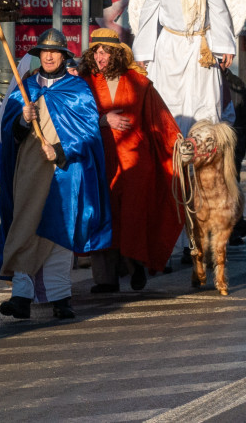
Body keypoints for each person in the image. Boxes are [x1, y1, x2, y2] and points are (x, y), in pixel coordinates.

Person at [0, 28, 111, 320]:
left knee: (60, 232)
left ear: (62, 56)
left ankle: (61, 298)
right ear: (37, 55)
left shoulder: (78, 89)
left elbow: (88, 134)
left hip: (64, 172)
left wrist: (59, 150)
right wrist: (22, 119)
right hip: (29, 171)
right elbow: (9, 135)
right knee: (24, 226)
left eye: (54, 51)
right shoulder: (25, 88)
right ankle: (21, 296)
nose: (48, 56)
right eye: (44, 51)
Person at [79, 28, 182, 293]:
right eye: (96, 52)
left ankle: (136, 266)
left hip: (136, 162)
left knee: (133, 216)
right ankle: (105, 279)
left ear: (116, 54)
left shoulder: (139, 82)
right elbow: (73, 119)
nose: (100, 57)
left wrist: (180, 145)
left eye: (105, 51)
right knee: (102, 217)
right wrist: (103, 120)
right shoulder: (83, 83)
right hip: (100, 160)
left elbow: (160, 119)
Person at [132, 0, 236, 135]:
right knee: (167, 98)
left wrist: (225, 47)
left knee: (203, 99)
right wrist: (143, 54)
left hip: (200, 47)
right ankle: (168, 143)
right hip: (169, 48)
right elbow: (147, 18)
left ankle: (203, 145)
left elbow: (219, 13)